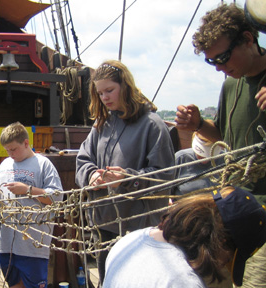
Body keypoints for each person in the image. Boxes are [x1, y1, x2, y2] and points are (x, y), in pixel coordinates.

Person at [175, 3, 266, 286]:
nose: (219, 68)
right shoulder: (231, 84)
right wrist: (199, 125)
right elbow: (227, 139)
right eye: (212, 62)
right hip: (232, 210)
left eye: (223, 57)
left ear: (249, 39)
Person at [75, 60, 175, 285]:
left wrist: (127, 179)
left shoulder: (153, 125)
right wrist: (91, 176)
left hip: (139, 229)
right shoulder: (101, 125)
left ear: (126, 86)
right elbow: (83, 160)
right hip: (104, 225)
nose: (105, 98)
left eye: (110, 90)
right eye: (100, 93)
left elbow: (165, 176)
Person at [103, 186, 266, 288]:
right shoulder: (182, 282)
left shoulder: (129, 242)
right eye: (229, 259)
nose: (223, 266)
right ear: (221, 242)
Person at [0, 122, 63, 288]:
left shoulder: (43, 164)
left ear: (26, 143)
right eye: (7, 150)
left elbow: (57, 198)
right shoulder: (4, 164)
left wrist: (28, 190)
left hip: (32, 245)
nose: (10, 153)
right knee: (13, 284)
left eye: (13, 149)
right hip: (5, 243)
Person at [172, 129, 224, 196]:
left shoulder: (225, 159)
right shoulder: (181, 158)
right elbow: (167, 189)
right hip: (184, 204)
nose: (202, 157)